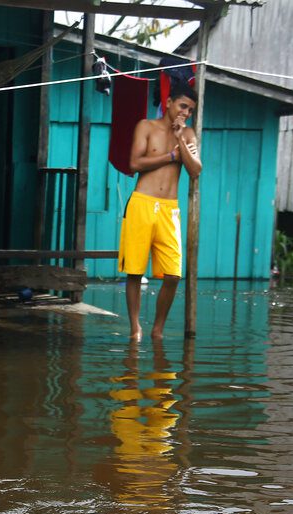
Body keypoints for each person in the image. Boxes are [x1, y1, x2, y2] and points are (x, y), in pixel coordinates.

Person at [120, 85, 202, 341]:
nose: (186, 113)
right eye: (182, 106)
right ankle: (135, 328)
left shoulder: (188, 134)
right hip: (142, 203)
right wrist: (171, 155)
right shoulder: (146, 126)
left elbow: (195, 170)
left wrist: (180, 139)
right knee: (134, 271)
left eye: (190, 109)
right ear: (168, 103)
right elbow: (134, 164)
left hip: (169, 209)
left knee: (174, 274)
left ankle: (158, 329)